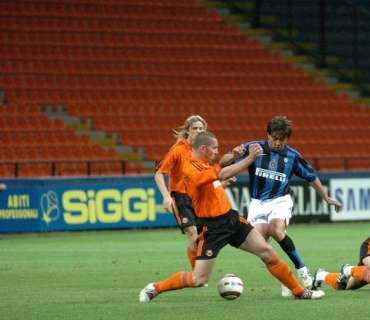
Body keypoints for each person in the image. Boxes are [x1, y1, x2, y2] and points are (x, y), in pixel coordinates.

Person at [139, 131, 325, 302]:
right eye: (214, 148)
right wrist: (249, 159)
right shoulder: (190, 168)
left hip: (231, 219)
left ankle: (299, 291)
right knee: (198, 278)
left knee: (268, 254)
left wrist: (225, 178)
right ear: (203, 148)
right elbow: (222, 172)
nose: (217, 151)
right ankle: (155, 288)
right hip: (211, 228)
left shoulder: (203, 163)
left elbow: (213, 183)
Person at [219, 116, 342, 296]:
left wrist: (326, 197)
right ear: (267, 135)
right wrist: (234, 155)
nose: (277, 142)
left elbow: (311, 176)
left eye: (281, 139)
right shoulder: (254, 148)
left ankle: (303, 272)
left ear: (287, 139)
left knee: (277, 230)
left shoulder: (292, 155)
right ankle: (288, 282)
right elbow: (223, 162)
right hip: (257, 203)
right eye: (274, 138)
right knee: (260, 246)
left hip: (280, 200)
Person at [154, 115, 207, 269]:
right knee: (192, 232)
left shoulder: (203, 150)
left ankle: (200, 271)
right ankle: (196, 273)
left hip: (198, 197)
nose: (198, 131)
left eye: (201, 128)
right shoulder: (178, 150)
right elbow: (159, 173)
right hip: (180, 197)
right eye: (195, 128)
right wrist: (166, 197)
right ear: (187, 131)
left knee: (201, 236)